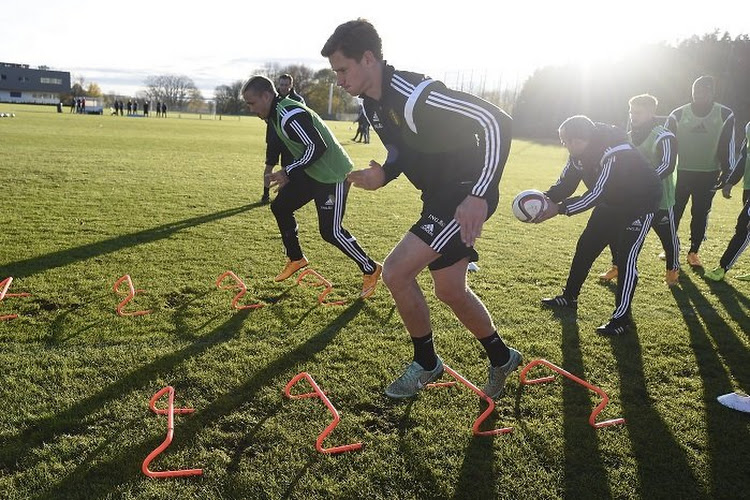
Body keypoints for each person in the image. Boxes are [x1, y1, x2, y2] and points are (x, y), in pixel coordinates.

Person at [321, 19, 519, 400]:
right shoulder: (371, 104)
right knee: (451, 291)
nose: (340, 81)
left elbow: (496, 120)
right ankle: (502, 356)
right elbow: (402, 150)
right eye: (336, 73)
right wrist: (385, 173)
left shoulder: (416, 93)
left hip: (463, 196)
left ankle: (427, 363)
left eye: (343, 70)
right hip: (439, 197)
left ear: (368, 59)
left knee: (395, 272)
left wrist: (479, 193)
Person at [241, 75, 382, 299]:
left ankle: (371, 268)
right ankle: (296, 258)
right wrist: (291, 172)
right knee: (281, 206)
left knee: (331, 231)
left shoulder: (288, 114)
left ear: (266, 96)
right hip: (312, 172)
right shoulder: (276, 115)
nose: (250, 109)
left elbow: (317, 147)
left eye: (251, 103)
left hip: (333, 174)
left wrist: (288, 171)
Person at [535, 115, 662, 335]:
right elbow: (566, 183)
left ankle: (621, 319)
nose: (563, 145)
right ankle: (569, 297)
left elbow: (596, 193)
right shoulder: (578, 155)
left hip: (639, 206)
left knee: (626, 259)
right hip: (611, 203)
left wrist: (559, 209)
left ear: (577, 140)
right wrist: (545, 199)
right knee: (586, 247)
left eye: (565, 141)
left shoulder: (616, 151)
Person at [598, 94, 680, 286]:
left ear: (652, 113)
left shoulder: (665, 136)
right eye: (631, 111)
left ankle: (672, 270)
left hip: (660, 199)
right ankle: (618, 267)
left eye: (638, 112)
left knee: (668, 238)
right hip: (632, 200)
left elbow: (667, 165)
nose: (633, 116)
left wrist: (643, 183)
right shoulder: (627, 136)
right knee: (618, 233)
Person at [666, 75, 736, 268]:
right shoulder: (677, 115)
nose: (699, 94)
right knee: (674, 211)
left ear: (712, 93)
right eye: (696, 90)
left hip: (708, 173)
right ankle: (670, 247)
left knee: (700, 213)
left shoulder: (724, 114)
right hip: (679, 173)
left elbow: (726, 145)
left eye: (704, 91)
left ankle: (693, 251)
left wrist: (727, 171)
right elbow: (666, 145)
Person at [704, 120, 750, 281]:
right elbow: (744, 156)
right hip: (748, 187)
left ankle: (723, 268)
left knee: (744, 227)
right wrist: (731, 181)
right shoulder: (749, 126)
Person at [261, 74, 305, 204]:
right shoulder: (272, 98)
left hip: (289, 142)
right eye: (282, 84)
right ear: (278, 84)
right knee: (269, 167)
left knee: (286, 169)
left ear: (291, 85)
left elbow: (302, 118)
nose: (284, 87)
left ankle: (282, 196)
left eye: (286, 85)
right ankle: (265, 194)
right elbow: (264, 114)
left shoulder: (298, 99)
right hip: (273, 139)